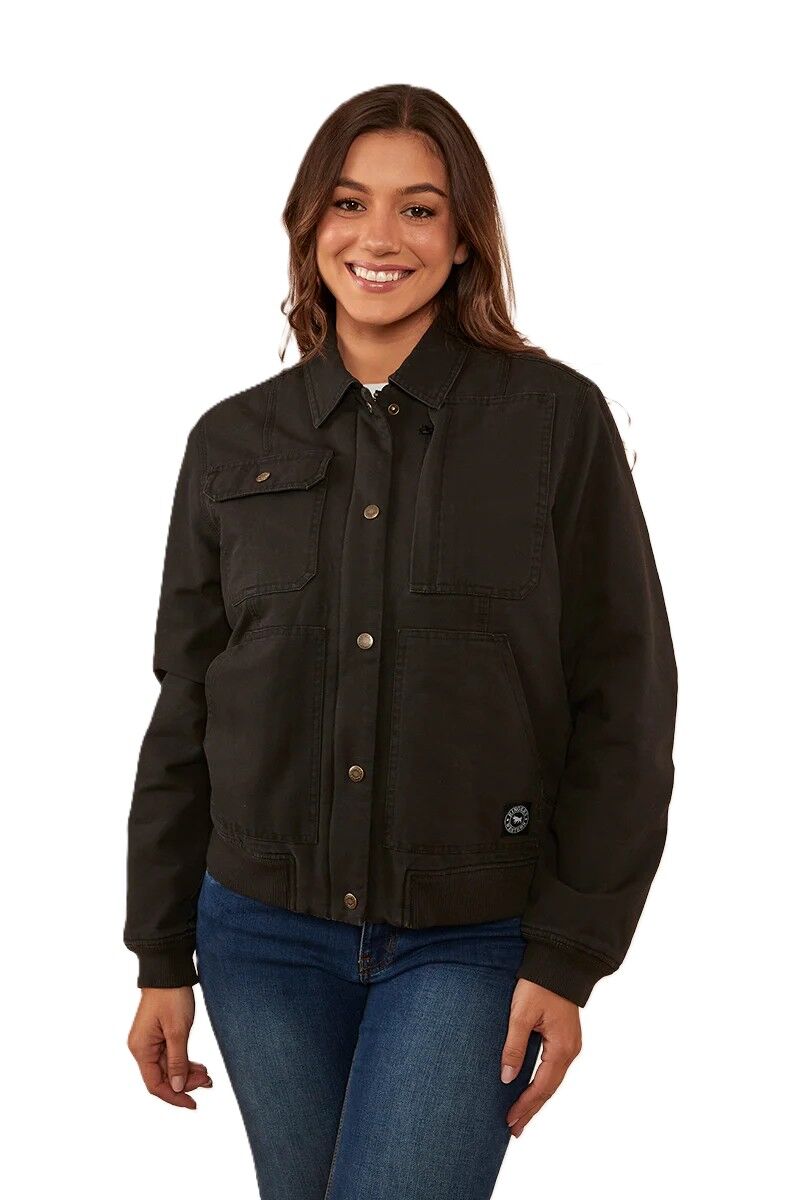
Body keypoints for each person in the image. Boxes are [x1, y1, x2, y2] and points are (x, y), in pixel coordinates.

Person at [124, 84, 678, 1199]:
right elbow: (187, 702)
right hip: (259, 938)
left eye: (418, 209)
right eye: (348, 203)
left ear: (464, 236)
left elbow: (625, 696)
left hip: (472, 938)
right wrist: (160, 953)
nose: (378, 237)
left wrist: (570, 954)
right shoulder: (231, 441)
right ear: (308, 225)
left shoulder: (553, 423)